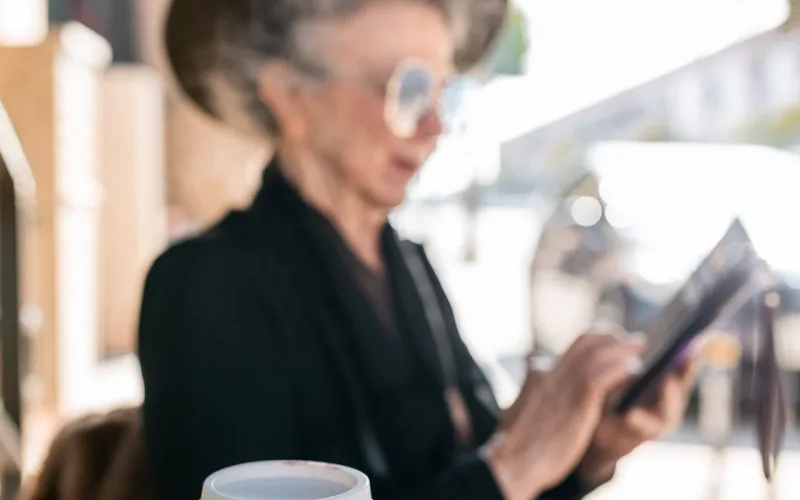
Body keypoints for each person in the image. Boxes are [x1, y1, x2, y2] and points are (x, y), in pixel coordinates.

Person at [138, 1, 697, 499]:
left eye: (440, 93)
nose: (434, 126)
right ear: (292, 100)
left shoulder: (410, 266)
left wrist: (586, 452)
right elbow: (495, 477)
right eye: (406, 90)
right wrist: (512, 467)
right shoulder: (205, 286)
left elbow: (482, 468)